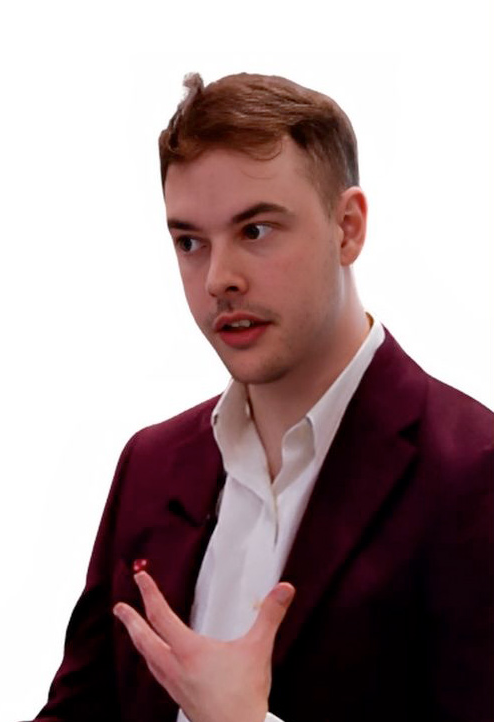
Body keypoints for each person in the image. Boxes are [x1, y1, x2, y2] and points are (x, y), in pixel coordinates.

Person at [30, 73, 493, 722]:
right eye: (189, 242)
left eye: (255, 231)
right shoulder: (148, 463)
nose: (218, 278)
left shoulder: (471, 471)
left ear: (348, 227)